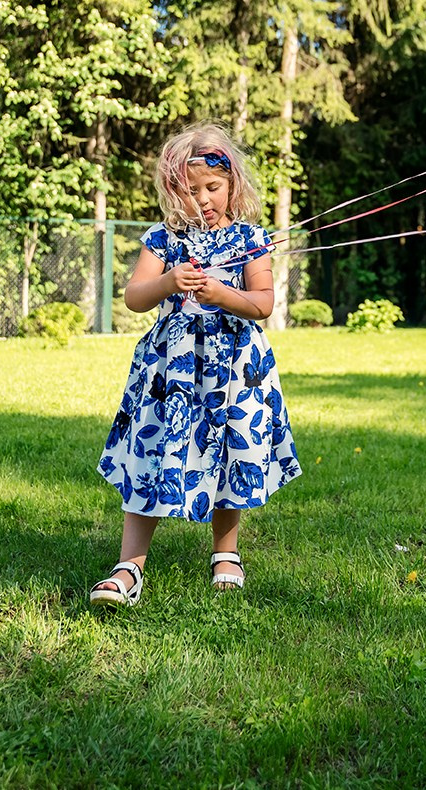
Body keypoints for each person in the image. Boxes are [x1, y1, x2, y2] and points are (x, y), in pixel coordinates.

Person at [90, 122, 301, 607]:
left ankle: (226, 552)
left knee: (232, 450)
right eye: (189, 190)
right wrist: (169, 282)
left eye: (213, 187)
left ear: (232, 187)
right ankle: (129, 567)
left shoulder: (251, 238)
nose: (202, 199)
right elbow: (135, 297)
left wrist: (221, 293)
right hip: (173, 371)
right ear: (172, 191)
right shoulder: (163, 239)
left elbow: (263, 302)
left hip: (234, 372)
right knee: (153, 453)